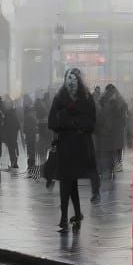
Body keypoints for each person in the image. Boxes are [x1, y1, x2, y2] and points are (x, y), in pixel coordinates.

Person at [48, 68, 97, 231]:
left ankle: (76, 213)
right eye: (68, 78)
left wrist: (68, 120)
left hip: (81, 147)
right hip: (65, 146)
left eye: (74, 79)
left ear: (79, 81)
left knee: (71, 181)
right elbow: (52, 122)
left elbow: (91, 123)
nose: (71, 82)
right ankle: (63, 217)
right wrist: (72, 123)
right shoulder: (59, 98)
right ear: (64, 81)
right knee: (66, 181)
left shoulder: (87, 98)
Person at [98, 85, 127, 179]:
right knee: (115, 149)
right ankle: (115, 165)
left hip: (110, 130)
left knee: (111, 150)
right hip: (114, 129)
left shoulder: (109, 100)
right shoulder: (119, 99)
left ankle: (110, 167)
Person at [2, 94, 21, 170]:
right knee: (13, 147)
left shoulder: (9, 113)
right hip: (13, 132)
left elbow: (7, 123)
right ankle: (14, 162)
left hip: (10, 132)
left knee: (11, 148)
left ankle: (14, 163)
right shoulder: (13, 112)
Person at [21, 93, 38, 174]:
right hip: (30, 131)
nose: (24, 102)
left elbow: (31, 121)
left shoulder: (29, 110)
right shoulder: (29, 109)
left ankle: (31, 164)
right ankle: (31, 164)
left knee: (31, 148)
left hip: (30, 131)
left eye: (24, 100)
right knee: (30, 148)